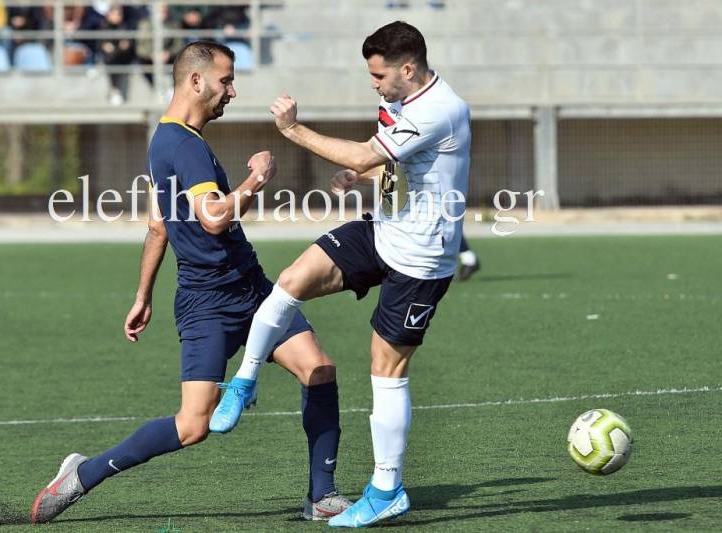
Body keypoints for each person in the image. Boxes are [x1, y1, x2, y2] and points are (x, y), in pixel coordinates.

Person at [30, 40, 351, 524]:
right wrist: (257, 179)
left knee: (319, 369)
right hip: (208, 302)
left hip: (252, 288)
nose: (232, 91)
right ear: (196, 81)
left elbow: (158, 225)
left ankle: (321, 496)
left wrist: (143, 295)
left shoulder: (166, 140)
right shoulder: (183, 145)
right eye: (226, 80)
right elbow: (215, 218)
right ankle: (82, 474)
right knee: (193, 425)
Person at [210, 21, 471, 527]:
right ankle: (243, 381)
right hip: (385, 228)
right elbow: (390, 160)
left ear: (408, 69)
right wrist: (362, 174)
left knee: (386, 370)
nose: (373, 84)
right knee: (292, 281)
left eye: (378, 76)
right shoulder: (404, 99)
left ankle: (387, 489)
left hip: (421, 257)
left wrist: (293, 130)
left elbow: (365, 150)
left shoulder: (440, 108)